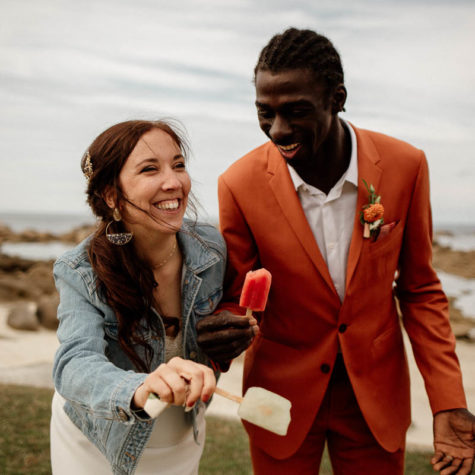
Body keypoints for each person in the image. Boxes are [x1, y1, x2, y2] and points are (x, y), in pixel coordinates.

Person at [196, 28, 475, 474]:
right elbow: (240, 296)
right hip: (278, 397)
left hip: (375, 399)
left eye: (296, 111)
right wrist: (220, 335)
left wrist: (448, 401)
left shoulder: (405, 166)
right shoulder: (238, 184)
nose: (278, 130)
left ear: (337, 97)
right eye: (265, 113)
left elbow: (420, 290)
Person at [50, 119, 226, 475]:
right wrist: (140, 386)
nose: (174, 181)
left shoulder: (212, 250)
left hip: (181, 435)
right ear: (112, 196)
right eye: (150, 169)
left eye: (178, 165)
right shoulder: (79, 270)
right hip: (100, 436)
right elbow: (73, 364)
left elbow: (233, 312)